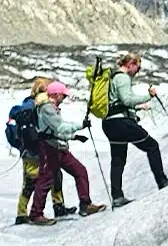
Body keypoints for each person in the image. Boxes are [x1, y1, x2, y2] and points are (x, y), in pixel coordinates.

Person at [102, 53, 168, 207]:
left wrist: (136, 107)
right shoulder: (122, 78)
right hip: (122, 122)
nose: (138, 71)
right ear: (130, 64)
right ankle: (162, 181)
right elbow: (127, 100)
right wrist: (148, 97)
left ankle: (117, 196)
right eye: (138, 67)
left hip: (109, 123)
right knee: (152, 146)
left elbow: (118, 102)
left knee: (117, 160)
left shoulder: (112, 78)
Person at [28, 81, 106, 226]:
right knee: (45, 180)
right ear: (56, 94)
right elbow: (60, 127)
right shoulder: (47, 109)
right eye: (63, 95)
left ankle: (85, 205)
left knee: (80, 171)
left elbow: (56, 131)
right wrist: (80, 126)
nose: (64, 98)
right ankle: (35, 214)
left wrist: (74, 136)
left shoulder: (52, 108)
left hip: (58, 147)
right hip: (50, 149)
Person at [10, 76, 71, 225]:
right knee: (52, 175)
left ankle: (22, 213)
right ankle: (57, 206)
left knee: (32, 181)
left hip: (29, 151)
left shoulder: (26, 105)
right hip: (43, 147)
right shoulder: (43, 104)